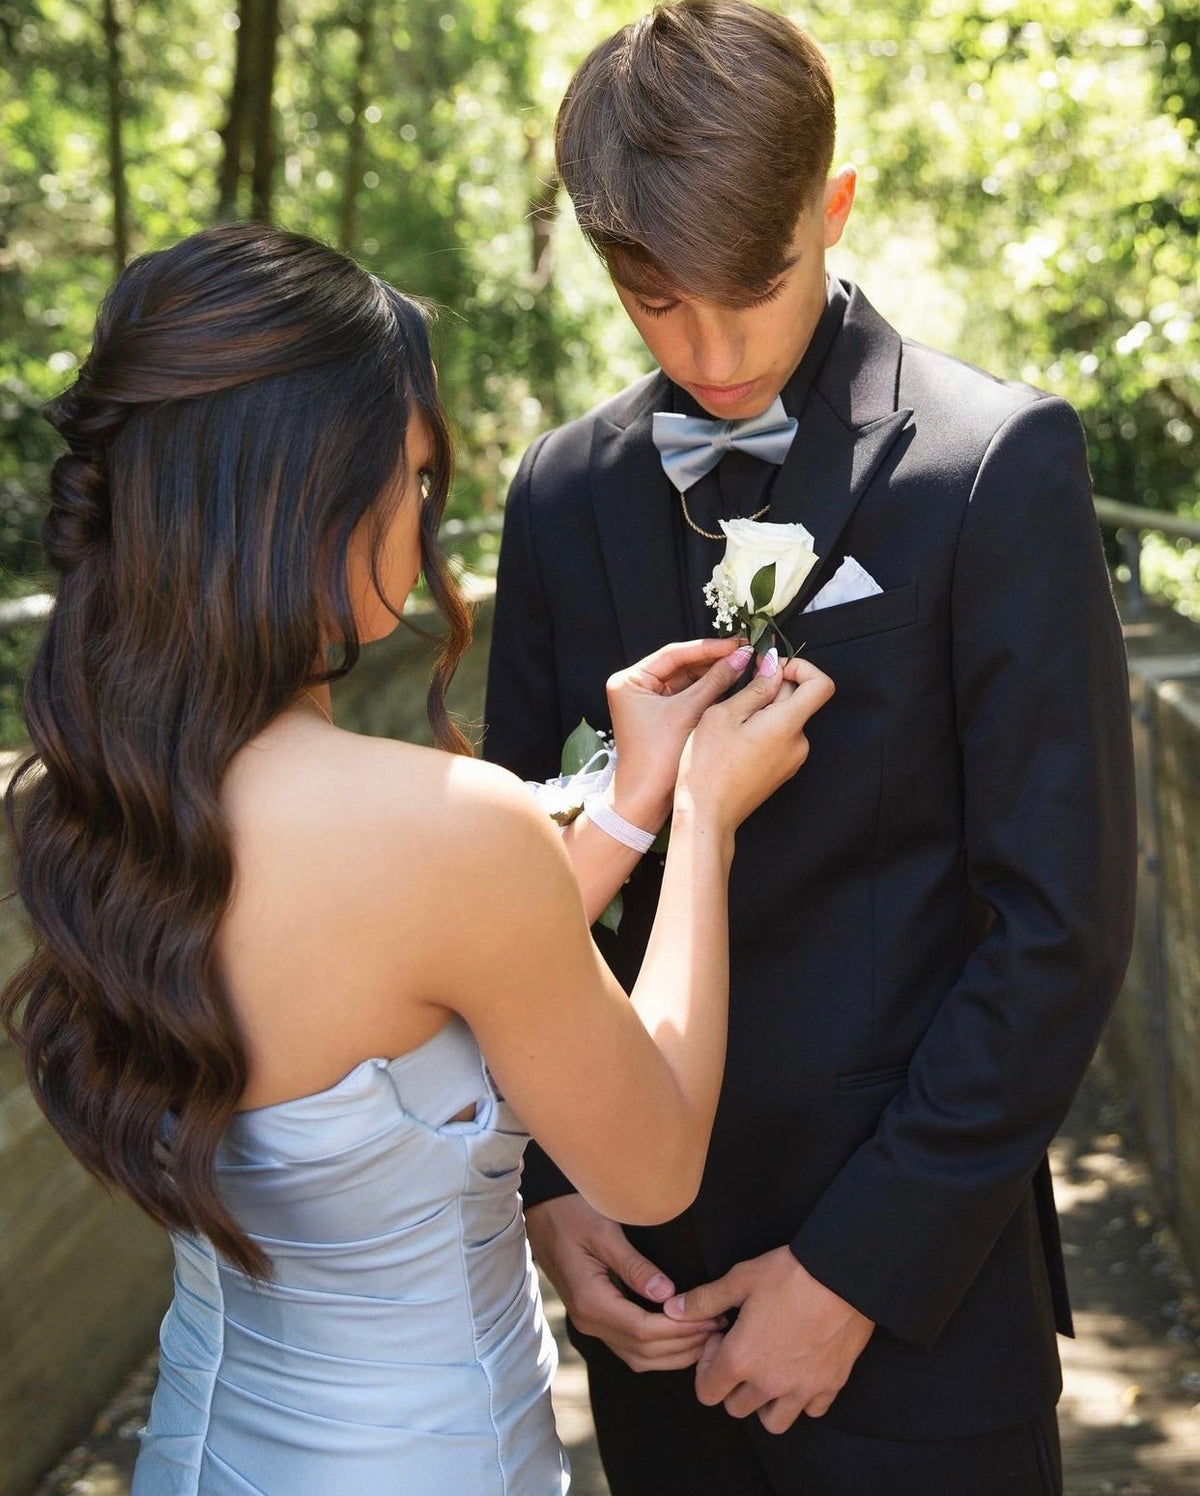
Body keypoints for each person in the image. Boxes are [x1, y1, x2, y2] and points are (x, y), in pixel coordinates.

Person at [0, 220, 834, 1496]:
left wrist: (629, 803)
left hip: (205, 1446)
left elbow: (396, 979)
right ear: (317, 492)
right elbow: (651, 1157)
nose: (424, 514)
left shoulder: (90, 797)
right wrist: (707, 820)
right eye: (418, 470)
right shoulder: (443, 821)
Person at [483, 3, 1138, 1493]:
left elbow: (1060, 927)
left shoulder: (995, 466)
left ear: (830, 209)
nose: (709, 351)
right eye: (653, 303)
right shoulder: (559, 492)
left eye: (753, 288)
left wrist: (850, 1274)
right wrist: (544, 1191)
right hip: (644, 1300)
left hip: (918, 1311)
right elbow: (512, 888)